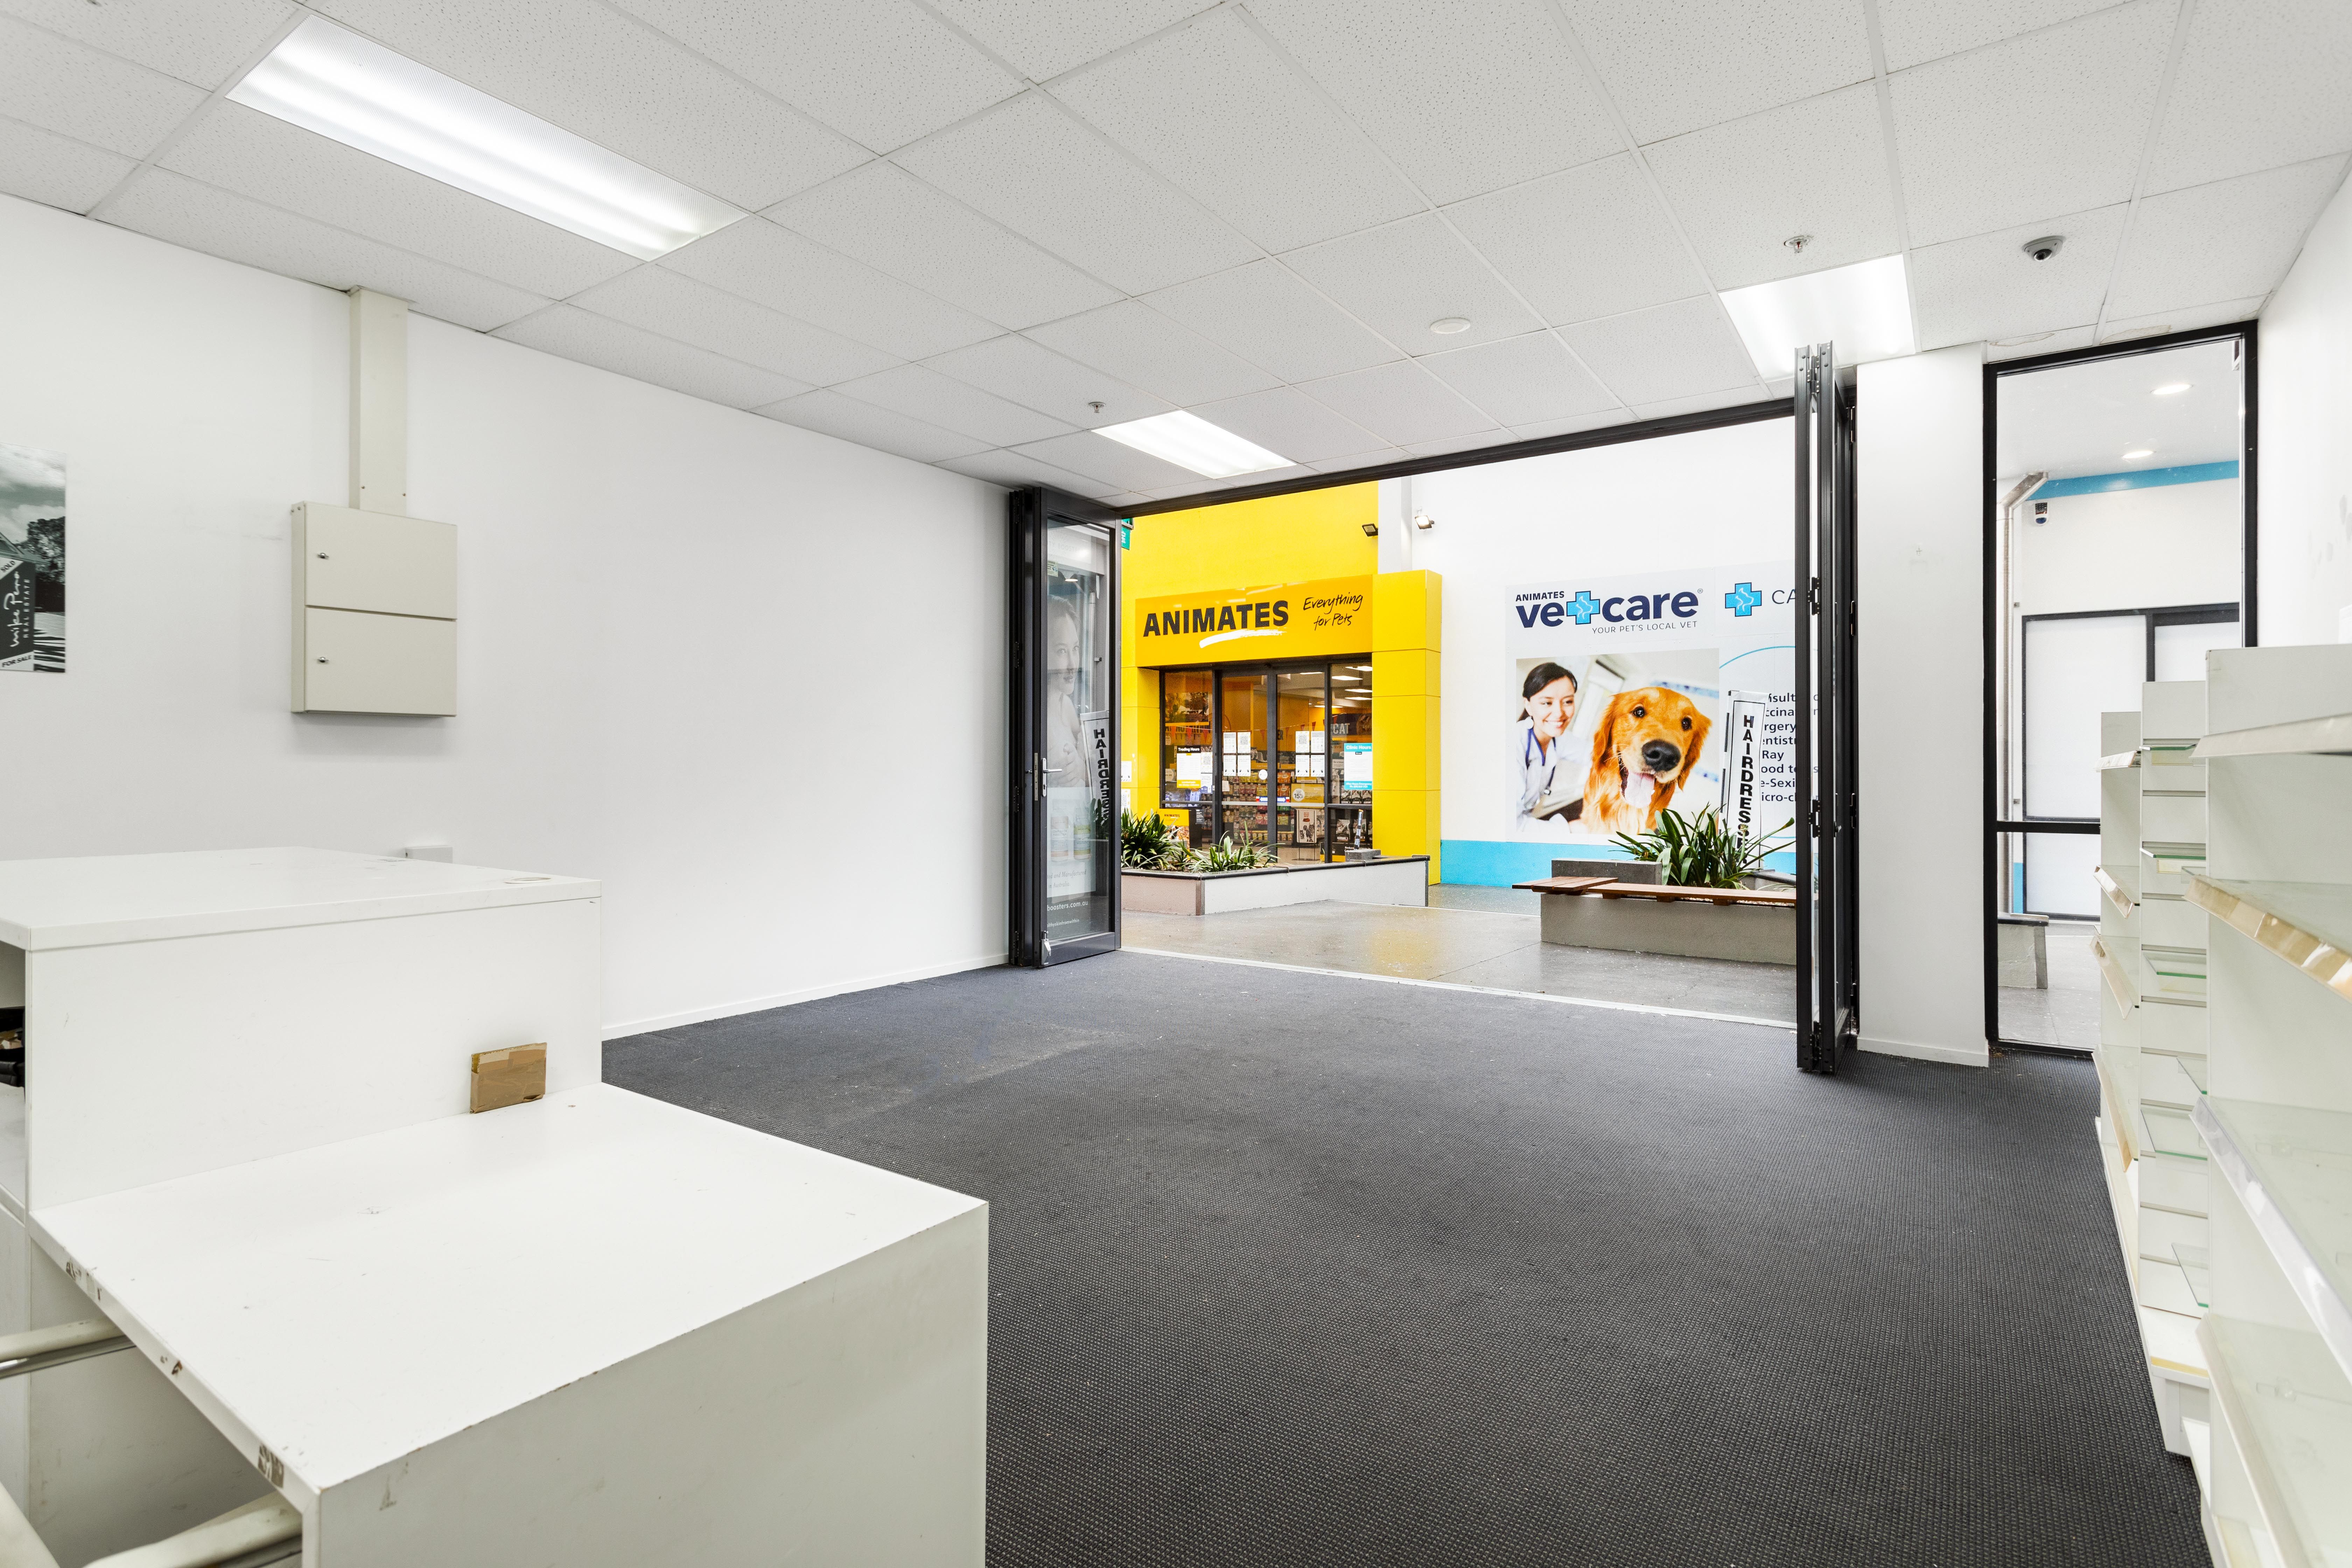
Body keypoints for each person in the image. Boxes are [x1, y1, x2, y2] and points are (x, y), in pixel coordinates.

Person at [1514, 661, 1581, 826]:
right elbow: (1510, 824)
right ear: (1528, 706)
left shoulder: (1560, 739)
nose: (1559, 713)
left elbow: (1596, 754)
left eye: (1568, 702)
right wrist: (1570, 829)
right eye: (1547, 703)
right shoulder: (1513, 744)